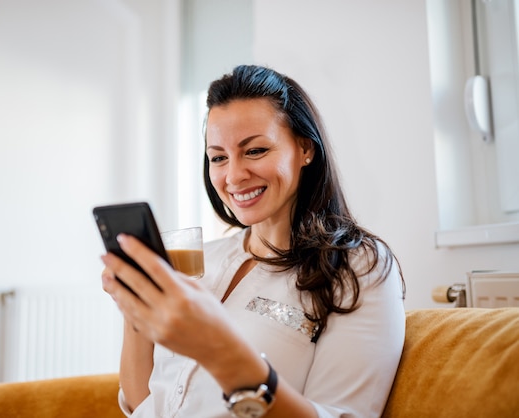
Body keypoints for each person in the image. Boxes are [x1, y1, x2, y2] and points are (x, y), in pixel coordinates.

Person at [101, 64, 406, 418]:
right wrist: (135, 306)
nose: (233, 176)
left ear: (305, 148)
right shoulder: (205, 260)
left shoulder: (358, 267)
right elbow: (145, 406)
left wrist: (219, 349)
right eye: (218, 157)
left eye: (256, 151)